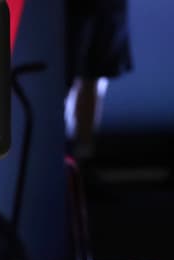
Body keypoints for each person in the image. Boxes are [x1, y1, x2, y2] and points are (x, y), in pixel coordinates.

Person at [66, 0, 134, 167]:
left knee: (95, 78)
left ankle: (83, 159)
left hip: (107, 7)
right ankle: (61, 152)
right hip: (71, 10)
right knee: (67, 76)